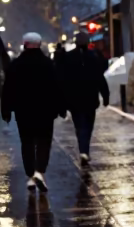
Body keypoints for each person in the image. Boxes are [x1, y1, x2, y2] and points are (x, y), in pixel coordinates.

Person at [2, 33, 65, 191]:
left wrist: (6, 109)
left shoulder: (16, 65)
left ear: (24, 44)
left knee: (27, 142)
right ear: (39, 44)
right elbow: (57, 87)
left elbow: (8, 89)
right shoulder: (48, 64)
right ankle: (40, 171)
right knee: (44, 141)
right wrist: (61, 107)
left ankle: (30, 175)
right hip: (45, 111)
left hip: (24, 111)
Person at [56, 31, 109, 164]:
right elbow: (100, 77)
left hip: (73, 98)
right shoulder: (93, 56)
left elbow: (62, 79)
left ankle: (83, 149)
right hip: (90, 97)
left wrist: (61, 102)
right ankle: (84, 150)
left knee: (79, 125)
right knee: (88, 124)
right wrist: (105, 95)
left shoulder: (68, 58)